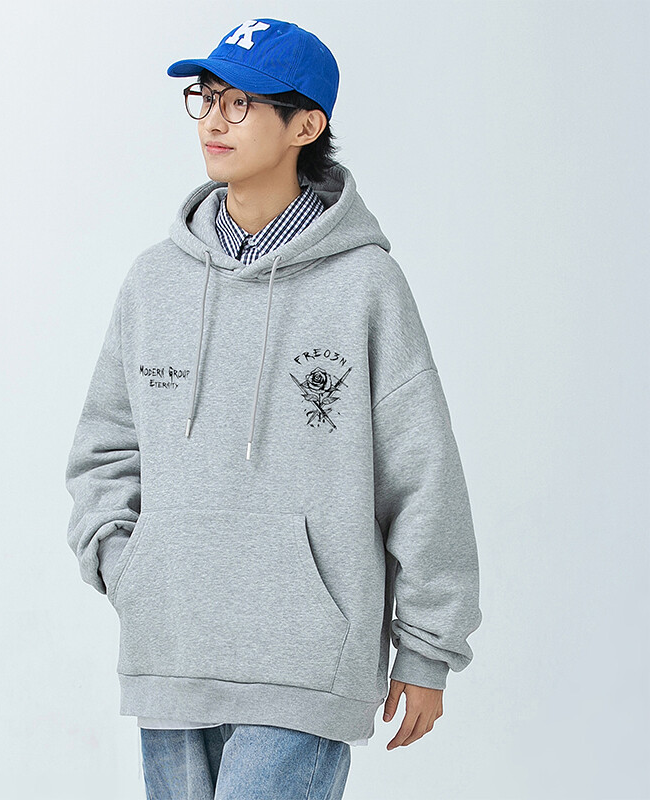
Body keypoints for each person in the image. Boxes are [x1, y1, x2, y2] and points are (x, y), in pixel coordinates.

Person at [65, 17, 483, 800]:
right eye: (207, 97)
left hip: (304, 663)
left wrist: (427, 649)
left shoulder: (365, 286)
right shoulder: (155, 280)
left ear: (305, 126)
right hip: (171, 653)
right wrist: (134, 570)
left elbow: (422, 473)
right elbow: (104, 450)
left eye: (242, 104)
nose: (214, 121)